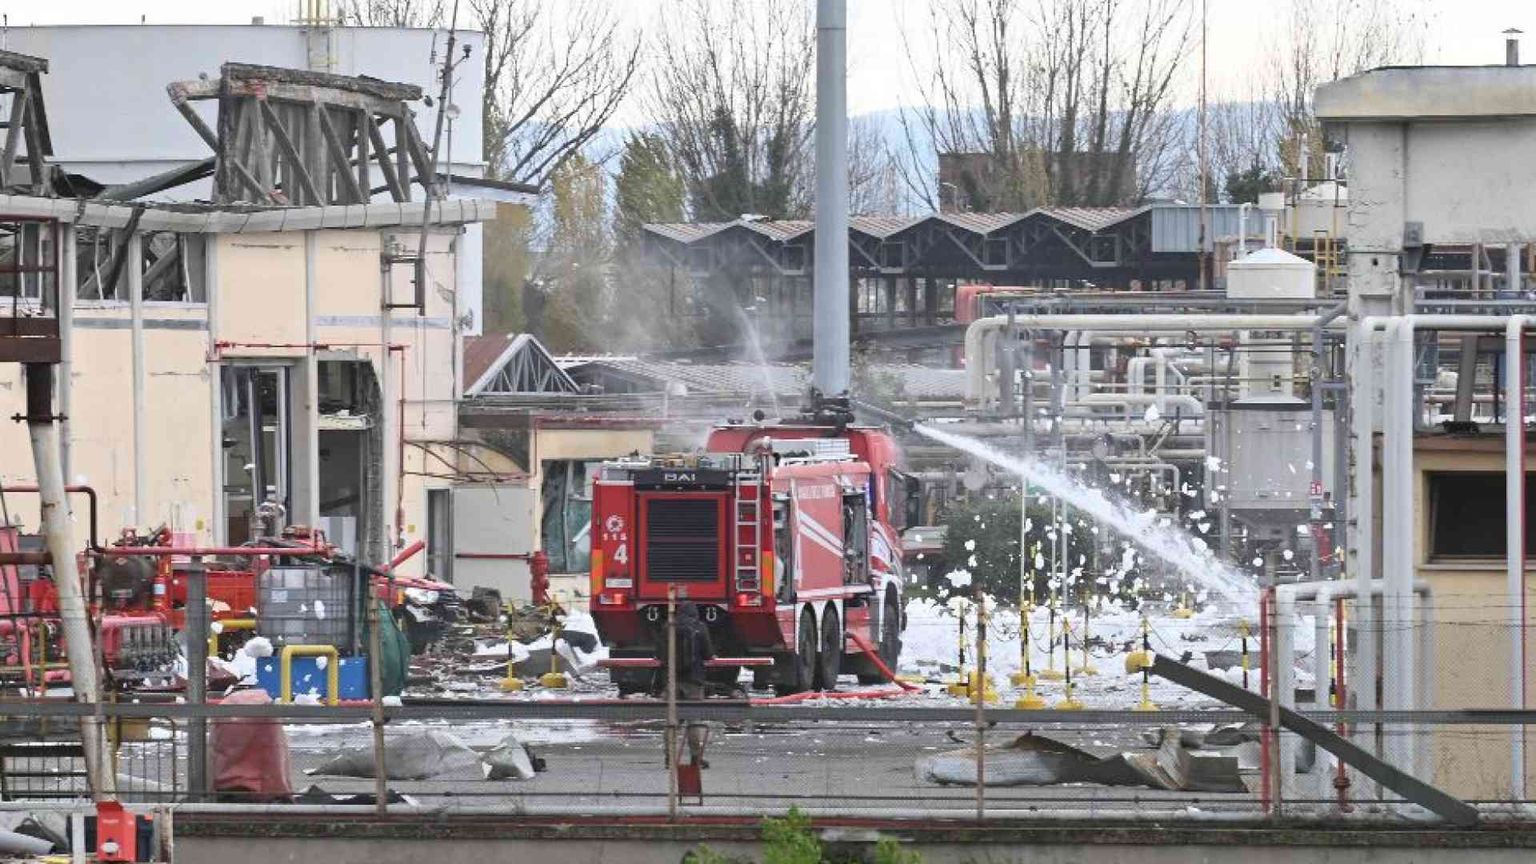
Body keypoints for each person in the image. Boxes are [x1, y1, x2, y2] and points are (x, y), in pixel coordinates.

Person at [672, 602, 714, 768]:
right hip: (693, 680)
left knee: (671, 722)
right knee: (694, 721)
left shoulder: (668, 627)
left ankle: (670, 758)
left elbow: (660, 653)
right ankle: (696, 757)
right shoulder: (700, 628)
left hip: (672, 679)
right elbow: (708, 654)